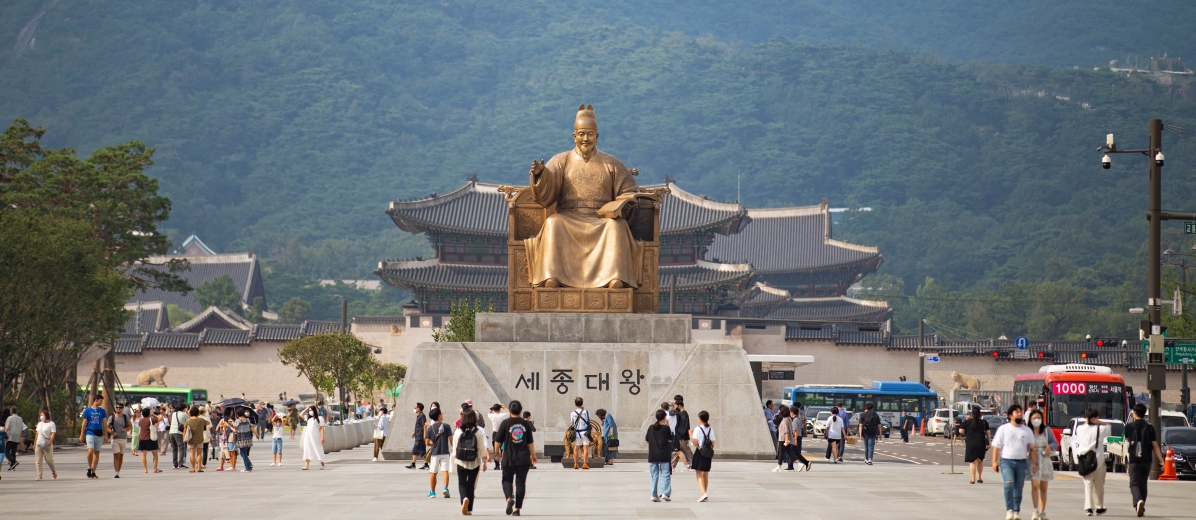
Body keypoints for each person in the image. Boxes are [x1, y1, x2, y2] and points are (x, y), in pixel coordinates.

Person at [992, 404, 1037, 520]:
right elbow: (996, 446)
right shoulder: (1003, 429)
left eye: (1021, 412)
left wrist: (1035, 463)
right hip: (1007, 461)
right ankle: (1009, 510)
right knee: (1009, 484)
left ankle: (1016, 511)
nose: (1020, 414)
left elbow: (1032, 448)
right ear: (1011, 415)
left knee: (1018, 487)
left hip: (1022, 462)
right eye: (1017, 412)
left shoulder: (1027, 430)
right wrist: (994, 461)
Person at [496, 400, 536, 516]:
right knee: (521, 483)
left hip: (508, 457)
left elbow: (498, 440)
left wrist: (497, 453)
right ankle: (517, 509)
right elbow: (530, 442)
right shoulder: (526, 424)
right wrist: (533, 455)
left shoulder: (505, 423)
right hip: (523, 458)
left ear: (510, 409)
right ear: (520, 410)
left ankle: (509, 498)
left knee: (506, 480)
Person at [1124, 403, 1163, 517]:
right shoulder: (1150, 427)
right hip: (1147, 461)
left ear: (1134, 413)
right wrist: (1162, 461)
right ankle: (1141, 505)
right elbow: (1155, 445)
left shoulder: (1129, 427)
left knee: (1134, 483)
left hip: (1134, 460)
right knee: (1143, 483)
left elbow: (1126, 439)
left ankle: (1138, 501)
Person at [452, 407, 490, 515]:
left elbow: (455, 446)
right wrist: (484, 461)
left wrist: (455, 456)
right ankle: (469, 509)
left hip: (461, 461)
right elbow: (481, 448)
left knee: (462, 483)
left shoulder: (458, 430)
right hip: (474, 461)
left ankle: (464, 499)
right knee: (471, 484)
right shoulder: (478, 431)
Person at [1073, 408, 1109, 516]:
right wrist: (1099, 422)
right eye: (1097, 417)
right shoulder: (1100, 429)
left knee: (1088, 484)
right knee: (1099, 485)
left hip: (1085, 460)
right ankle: (1099, 506)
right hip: (1098, 460)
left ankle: (1089, 508)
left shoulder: (1079, 429)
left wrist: (1088, 420)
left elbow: (1084, 426)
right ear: (1094, 418)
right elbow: (1108, 426)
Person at [1027, 409, 1056, 520]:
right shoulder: (1028, 431)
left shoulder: (1047, 430)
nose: (1036, 420)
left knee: (1044, 487)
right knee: (1035, 485)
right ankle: (1035, 510)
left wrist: (1050, 447)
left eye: (1038, 418)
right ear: (1030, 419)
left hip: (1045, 460)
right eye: (1034, 418)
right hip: (1033, 460)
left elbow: (1054, 442)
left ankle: (1043, 512)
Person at [645, 408, 674, 502]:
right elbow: (670, 439)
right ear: (664, 417)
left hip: (653, 454)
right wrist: (669, 427)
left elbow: (647, 440)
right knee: (665, 474)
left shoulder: (650, 427)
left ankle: (654, 494)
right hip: (664, 454)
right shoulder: (666, 428)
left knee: (654, 475)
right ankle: (665, 493)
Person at [426, 407, 453, 498]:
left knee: (433, 472)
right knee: (445, 471)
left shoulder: (430, 428)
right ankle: (445, 488)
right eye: (441, 414)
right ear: (439, 415)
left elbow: (426, 442)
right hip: (445, 452)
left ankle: (432, 492)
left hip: (435, 453)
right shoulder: (447, 426)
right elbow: (451, 440)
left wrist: (432, 444)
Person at [961, 406, 992, 483]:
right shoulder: (984, 422)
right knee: (980, 460)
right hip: (981, 443)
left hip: (970, 444)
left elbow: (961, 431)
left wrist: (966, 420)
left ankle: (972, 479)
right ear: (980, 414)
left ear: (972, 413)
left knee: (973, 462)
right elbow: (988, 432)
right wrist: (989, 442)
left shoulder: (967, 422)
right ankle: (979, 478)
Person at [79, 395, 108, 478]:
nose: (101, 402)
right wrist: (82, 434)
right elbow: (84, 423)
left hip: (99, 433)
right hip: (90, 432)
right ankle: (89, 467)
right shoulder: (88, 410)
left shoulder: (102, 411)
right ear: (95, 400)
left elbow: (104, 423)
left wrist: (106, 434)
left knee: (97, 453)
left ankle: (93, 471)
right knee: (90, 450)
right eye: (100, 401)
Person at [690, 410, 714, 502]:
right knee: (706, 473)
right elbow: (713, 443)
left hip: (700, 452)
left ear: (700, 418)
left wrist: (691, 436)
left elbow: (695, 443)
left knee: (699, 473)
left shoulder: (698, 429)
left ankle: (703, 494)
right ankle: (704, 493)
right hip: (708, 453)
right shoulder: (711, 429)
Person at [106, 402, 131, 478]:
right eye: (117, 407)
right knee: (116, 455)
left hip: (123, 438)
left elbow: (130, 425)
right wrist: (112, 432)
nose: (118, 409)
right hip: (115, 439)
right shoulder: (112, 417)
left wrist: (126, 429)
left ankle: (118, 471)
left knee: (121, 455)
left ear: (122, 409)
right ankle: (116, 472)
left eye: (120, 407)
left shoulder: (125, 417)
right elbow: (107, 427)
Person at [137, 407, 162, 473]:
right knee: (155, 454)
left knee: (143, 454)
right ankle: (155, 468)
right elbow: (160, 418)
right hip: (150, 438)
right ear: (149, 413)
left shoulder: (140, 420)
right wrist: (153, 414)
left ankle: (145, 469)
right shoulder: (151, 419)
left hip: (142, 438)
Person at [670, 396, 692, 471]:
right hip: (681, 435)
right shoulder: (681, 413)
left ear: (679, 405)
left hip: (683, 436)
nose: (675, 407)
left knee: (686, 450)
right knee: (678, 451)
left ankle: (695, 464)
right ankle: (672, 465)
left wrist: (679, 433)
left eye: (676, 405)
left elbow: (683, 426)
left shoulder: (684, 414)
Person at [184, 406, 209, 473]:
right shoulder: (201, 420)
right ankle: (199, 467)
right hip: (200, 438)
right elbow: (208, 423)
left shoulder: (188, 420)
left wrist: (184, 437)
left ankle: (192, 468)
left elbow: (185, 429)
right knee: (199, 454)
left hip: (191, 439)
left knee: (192, 454)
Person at [33, 408, 56, 480]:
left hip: (46, 444)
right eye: (40, 415)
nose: (41, 417)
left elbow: (53, 433)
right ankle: (39, 474)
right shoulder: (39, 424)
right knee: (38, 460)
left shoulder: (51, 424)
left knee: (49, 460)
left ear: (46, 415)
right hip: (39, 443)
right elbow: (37, 434)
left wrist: (50, 441)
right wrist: (34, 443)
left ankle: (53, 472)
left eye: (42, 415)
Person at [570, 397, 592, 469]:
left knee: (576, 449)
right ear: (582, 403)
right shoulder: (586, 412)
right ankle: (585, 463)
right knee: (585, 448)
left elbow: (572, 423)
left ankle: (576, 464)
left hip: (577, 433)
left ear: (575, 404)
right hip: (585, 432)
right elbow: (589, 421)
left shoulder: (573, 413)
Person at [301, 405, 325, 470]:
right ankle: (307, 465)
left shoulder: (319, 418)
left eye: (311, 410)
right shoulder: (308, 418)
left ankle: (322, 463)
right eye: (309, 410)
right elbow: (301, 414)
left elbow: (322, 428)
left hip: (315, 435)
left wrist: (322, 437)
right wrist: (306, 408)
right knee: (307, 448)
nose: (310, 411)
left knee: (317, 448)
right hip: (308, 435)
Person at [773, 404, 794, 472]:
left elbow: (786, 431)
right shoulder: (789, 419)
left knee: (781, 452)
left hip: (783, 439)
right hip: (785, 439)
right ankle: (798, 463)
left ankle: (779, 466)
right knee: (788, 452)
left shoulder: (785, 420)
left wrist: (787, 440)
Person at [168, 403, 189, 469]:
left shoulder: (174, 414)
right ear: (184, 408)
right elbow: (188, 422)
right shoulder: (185, 415)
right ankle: (181, 464)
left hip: (171, 432)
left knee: (174, 448)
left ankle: (175, 464)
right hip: (178, 432)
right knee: (181, 447)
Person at [790, 404, 812, 471]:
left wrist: (795, 439)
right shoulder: (798, 419)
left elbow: (796, 430)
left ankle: (803, 463)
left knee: (792, 452)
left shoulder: (795, 420)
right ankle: (804, 463)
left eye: (790, 412)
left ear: (792, 412)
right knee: (795, 452)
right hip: (798, 437)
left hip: (796, 437)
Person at [488, 404, 509, 470]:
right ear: (500, 409)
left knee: (495, 450)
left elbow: (488, 413)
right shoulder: (503, 415)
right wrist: (504, 407)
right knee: (503, 449)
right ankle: (503, 464)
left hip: (495, 433)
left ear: (494, 410)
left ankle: (497, 465)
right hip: (503, 433)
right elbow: (509, 413)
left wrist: (492, 408)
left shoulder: (492, 416)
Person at [5, 406, 25, 471]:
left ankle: (13, 461)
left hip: (10, 436)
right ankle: (12, 467)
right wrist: (19, 436)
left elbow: (7, 428)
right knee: (13, 451)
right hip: (17, 436)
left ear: (11, 412)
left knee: (6, 451)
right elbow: (21, 429)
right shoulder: (20, 418)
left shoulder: (9, 418)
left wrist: (4, 435)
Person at [408, 402, 427, 470]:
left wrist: (425, 435)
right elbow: (419, 427)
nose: (414, 409)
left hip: (420, 437)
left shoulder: (422, 416)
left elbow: (424, 425)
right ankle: (426, 465)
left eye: (415, 408)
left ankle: (413, 464)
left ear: (419, 408)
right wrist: (414, 432)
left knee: (415, 450)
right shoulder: (419, 416)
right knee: (423, 451)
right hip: (419, 435)